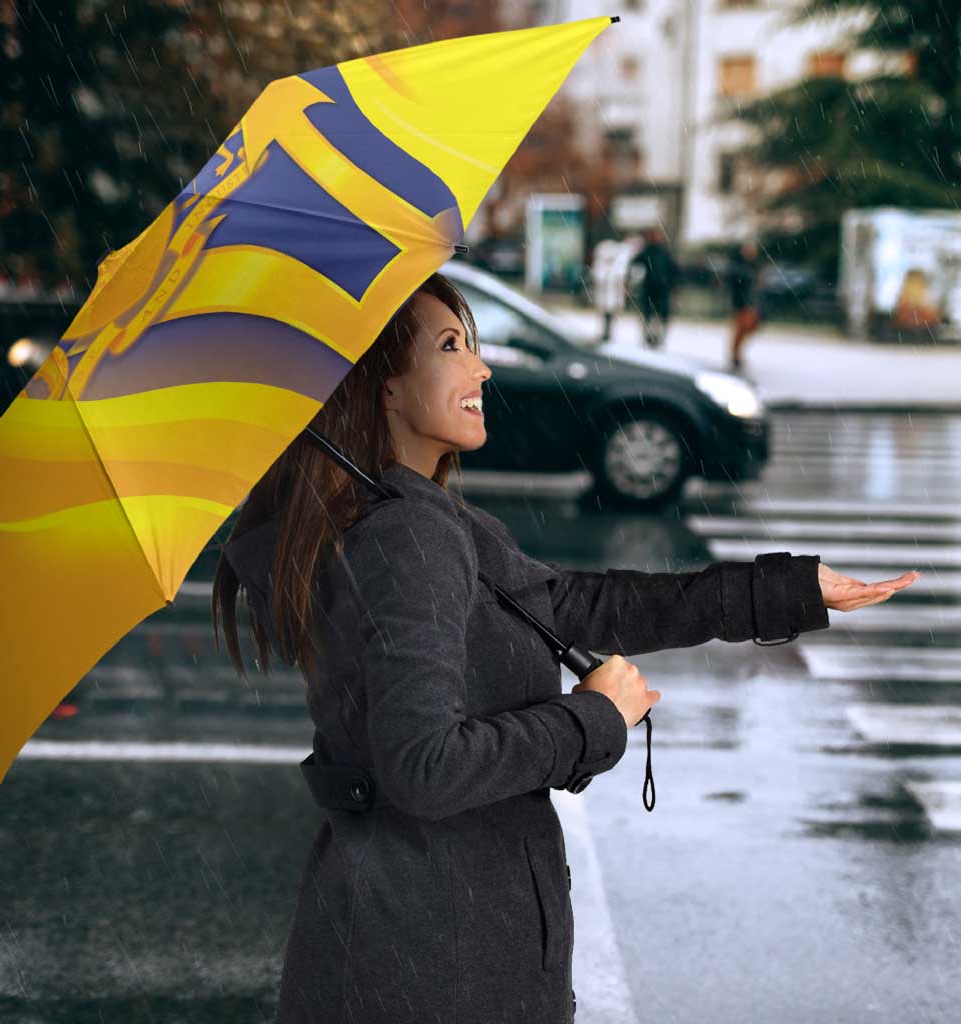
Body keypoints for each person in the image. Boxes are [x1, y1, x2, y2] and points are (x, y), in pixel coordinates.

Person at [212, 272, 916, 1024]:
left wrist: (786, 591)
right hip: (435, 962)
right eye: (451, 346)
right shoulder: (407, 536)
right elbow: (424, 767)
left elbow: (577, 605)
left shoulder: (413, 518)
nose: (481, 368)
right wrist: (592, 719)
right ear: (383, 387)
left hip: (417, 942)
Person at [629, 226, 679, 349]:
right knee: (650, 314)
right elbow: (635, 264)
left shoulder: (662, 252)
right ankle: (650, 337)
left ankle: (656, 337)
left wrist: (672, 284)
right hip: (652, 288)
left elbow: (673, 270)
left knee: (657, 315)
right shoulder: (649, 251)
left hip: (660, 288)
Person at [727, 239, 763, 371]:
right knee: (741, 329)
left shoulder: (754, 266)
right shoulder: (739, 267)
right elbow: (736, 286)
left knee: (749, 328)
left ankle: (737, 354)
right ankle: (735, 355)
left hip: (751, 303)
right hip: (742, 303)